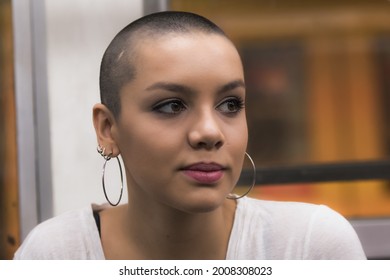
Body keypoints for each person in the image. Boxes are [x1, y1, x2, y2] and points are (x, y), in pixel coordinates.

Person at [14, 11, 366, 260]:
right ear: (108, 129)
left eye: (230, 104)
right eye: (171, 106)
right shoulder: (54, 255)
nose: (210, 133)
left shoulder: (309, 247)